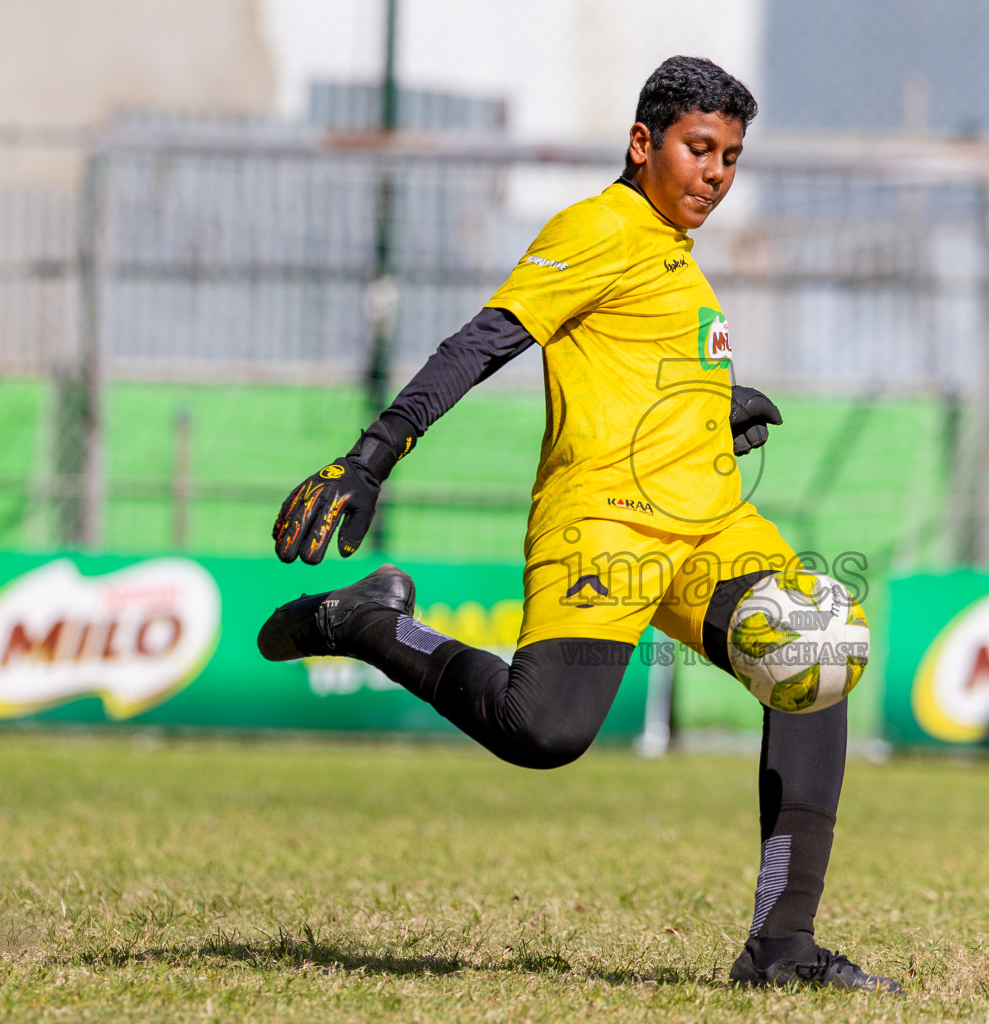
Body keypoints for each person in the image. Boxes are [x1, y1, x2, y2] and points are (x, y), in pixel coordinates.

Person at [257, 56, 902, 993]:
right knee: (543, 731)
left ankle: (781, 946)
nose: (715, 174)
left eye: (730, 156)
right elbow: (483, 342)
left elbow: (634, 366)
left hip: (710, 527)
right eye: (698, 149)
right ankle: (366, 622)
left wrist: (717, 407)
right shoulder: (597, 227)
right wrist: (372, 455)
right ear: (643, 143)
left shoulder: (674, 252)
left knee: (815, 652)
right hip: (606, 526)